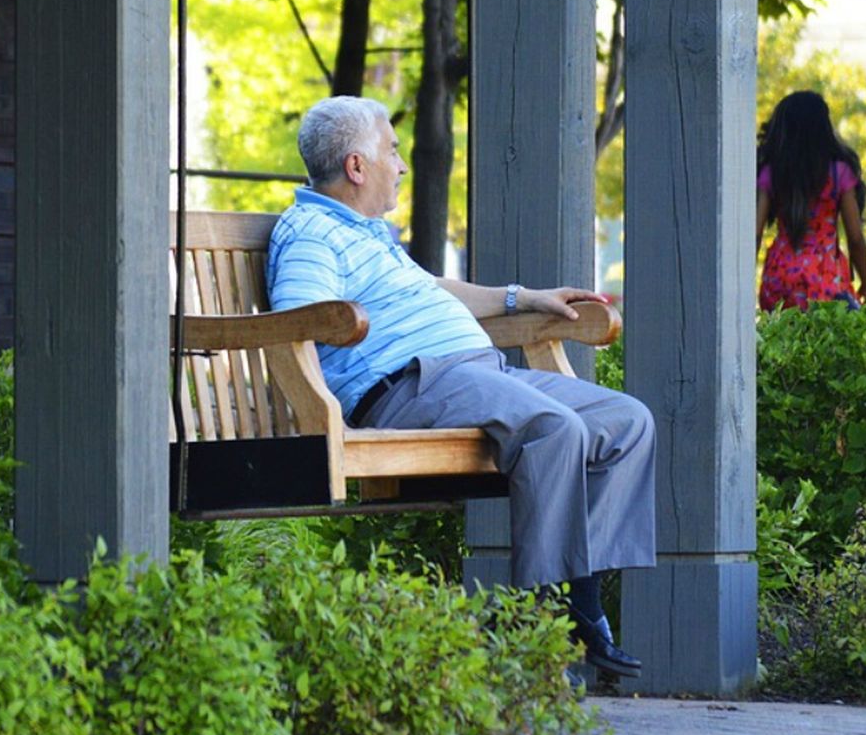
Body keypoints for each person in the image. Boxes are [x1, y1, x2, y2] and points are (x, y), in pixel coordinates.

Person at [267, 96, 657, 679]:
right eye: (391, 152)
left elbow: (429, 289)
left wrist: (523, 299)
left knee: (627, 422)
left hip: (477, 373)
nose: (400, 165)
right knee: (554, 429)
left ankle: (578, 601)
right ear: (356, 166)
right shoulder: (311, 234)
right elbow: (298, 318)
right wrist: (359, 326)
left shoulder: (369, 235)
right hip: (410, 386)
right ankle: (552, 620)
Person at [754, 91, 866, 311]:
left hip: (779, 277)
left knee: (783, 342)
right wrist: (865, 282)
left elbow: (756, 232)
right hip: (826, 277)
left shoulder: (773, 172)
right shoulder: (839, 173)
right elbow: (855, 238)